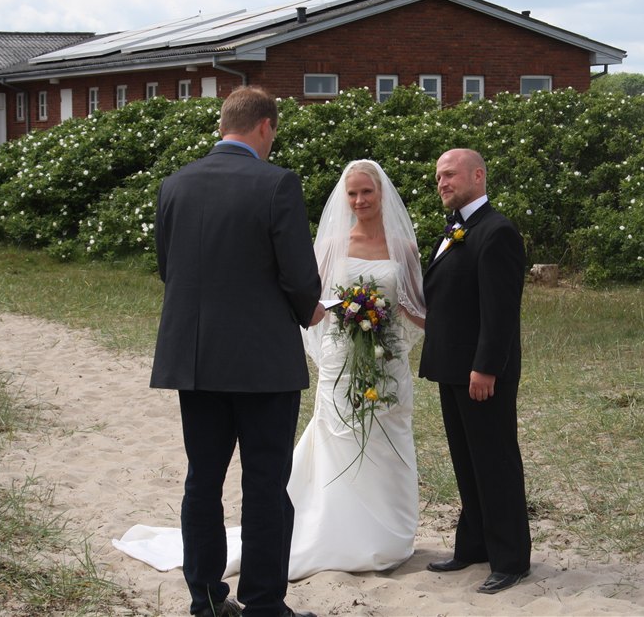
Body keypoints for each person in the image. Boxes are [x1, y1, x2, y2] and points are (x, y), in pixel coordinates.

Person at [150, 86, 323, 617]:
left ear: (224, 124)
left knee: (202, 481)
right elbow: (298, 274)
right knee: (265, 483)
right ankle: (264, 603)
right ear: (265, 126)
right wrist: (309, 309)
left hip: (196, 358)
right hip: (262, 362)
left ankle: (205, 599)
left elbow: (168, 267)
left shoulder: (175, 184)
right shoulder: (277, 183)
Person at [223, 159, 426, 580]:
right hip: (342, 358)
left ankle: (386, 532)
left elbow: (414, 306)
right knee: (339, 438)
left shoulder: (404, 248)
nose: (360, 200)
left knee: (389, 436)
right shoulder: (332, 245)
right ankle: (336, 529)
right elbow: (309, 302)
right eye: (352, 193)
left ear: (381, 193)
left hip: (387, 357)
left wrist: (392, 317)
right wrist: (348, 313)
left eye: (367, 191)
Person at [419, 148, 532, 594]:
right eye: (438, 177)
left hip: (481, 373)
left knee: (495, 462)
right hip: (451, 367)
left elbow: (500, 312)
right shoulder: (455, 229)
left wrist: (485, 368)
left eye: (450, 175)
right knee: (467, 461)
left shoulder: (497, 232)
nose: (442, 183)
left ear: (478, 175)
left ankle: (511, 559)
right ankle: (474, 545)